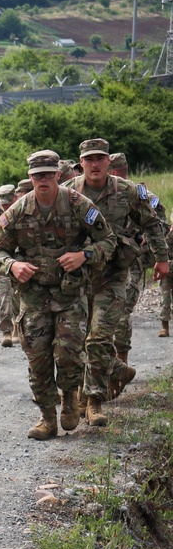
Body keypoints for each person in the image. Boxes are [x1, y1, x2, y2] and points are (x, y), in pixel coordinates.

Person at [0, 150, 115, 440]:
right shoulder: (18, 211)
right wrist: (13, 264)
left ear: (58, 175)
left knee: (68, 354)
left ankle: (70, 397)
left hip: (70, 294)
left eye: (48, 174)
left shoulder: (78, 205)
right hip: (32, 297)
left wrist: (84, 254)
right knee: (38, 360)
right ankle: (47, 418)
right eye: (37, 175)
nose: (42, 179)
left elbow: (108, 241)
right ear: (30, 177)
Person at [61, 139, 169, 425]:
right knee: (75, 338)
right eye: (89, 159)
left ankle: (94, 401)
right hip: (78, 277)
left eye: (100, 158)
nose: (94, 164)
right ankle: (117, 370)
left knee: (98, 336)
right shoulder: (68, 193)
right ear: (80, 163)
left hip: (114, 273)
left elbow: (151, 222)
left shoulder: (127, 191)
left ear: (109, 162)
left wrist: (161, 258)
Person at [108, 152, 168, 394]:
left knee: (121, 311)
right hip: (105, 263)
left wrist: (146, 246)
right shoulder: (98, 196)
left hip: (132, 263)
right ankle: (112, 368)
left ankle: (121, 368)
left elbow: (159, 225)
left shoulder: (141, 195)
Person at [0, 184, 20, 347]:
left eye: (8, 203)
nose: (6, 207)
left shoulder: (22, 210)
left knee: (17, 295)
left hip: (19, 260)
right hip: (2, 261)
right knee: (4, 295)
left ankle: (18, 327)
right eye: (4, 204)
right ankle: (6, 331)